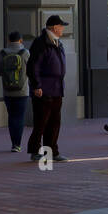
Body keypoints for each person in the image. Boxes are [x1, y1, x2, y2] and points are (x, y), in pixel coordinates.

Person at [28, 15, 69, 162]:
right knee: (41, 121)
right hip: (44, 89)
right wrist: (36, 85)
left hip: (57, 88)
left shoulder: (58, 42)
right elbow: (33, 66)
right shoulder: (41, 43)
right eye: (61, 26)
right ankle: (34, 150)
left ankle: (52, 151)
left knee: (54, 121)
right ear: (54, 27)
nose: (63, 28)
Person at [0, 30, 30, 152]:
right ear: (21, 40)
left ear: (9, 40)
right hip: (22, 92)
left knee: (12, 117)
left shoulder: (3, 53)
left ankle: (13, 143)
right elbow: (31, 71)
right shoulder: (25, 53)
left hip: (8, 92)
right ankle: (17, 144)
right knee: (19, 117)